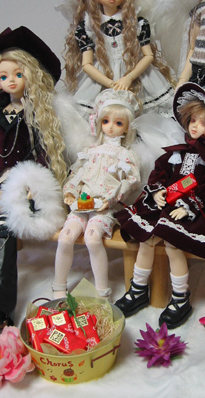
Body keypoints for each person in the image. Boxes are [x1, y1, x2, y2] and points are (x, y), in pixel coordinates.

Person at [114, 82, 205, 329]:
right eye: (192, 120)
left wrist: (190, 204)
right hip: (169, 201)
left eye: (202, 123)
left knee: (173, 243)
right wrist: (158, 190)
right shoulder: (177, 150)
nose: (195, 126)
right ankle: (138, 289)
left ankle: (180, 297)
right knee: (147, 239)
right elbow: (161, 171)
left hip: (199, 205)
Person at [0, 27, 68, 327]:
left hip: (24, 181)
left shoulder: (38, 111)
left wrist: (39, 186)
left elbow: (44, 153)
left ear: (29, 75)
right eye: (4, 76)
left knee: (6, 226)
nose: (12, 80)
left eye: (18, 74)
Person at [52, 89, 141, 299]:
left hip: (105, 206)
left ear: (127, 127)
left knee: (93, 238)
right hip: (82, 203)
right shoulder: (91, 151)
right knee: (65, 237)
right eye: (106, 121)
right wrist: (70, 192)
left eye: (118, 123)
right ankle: (58, 287)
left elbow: (131, 181)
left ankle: (102, 292)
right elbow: (77, 174)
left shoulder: (126, 155)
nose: (110, 127)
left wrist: (111, 199)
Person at [63, 0, 175, 117]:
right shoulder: (88, 26)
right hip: (102, 79)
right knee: (102, 120)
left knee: (145, 118)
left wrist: (129, 77)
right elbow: (87, 65)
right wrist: (110, 84)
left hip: (137, 76)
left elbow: (148, 56)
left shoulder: (137, 23)